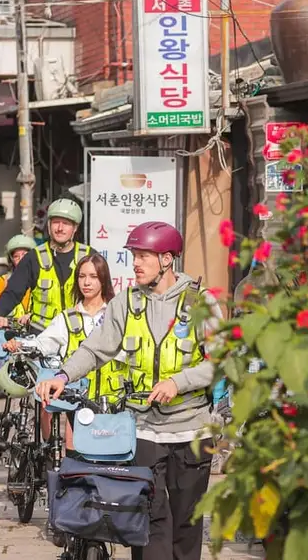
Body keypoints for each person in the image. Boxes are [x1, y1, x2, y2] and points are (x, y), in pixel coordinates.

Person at [35, 221, 223, 560]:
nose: (135, 263)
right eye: (134, 255)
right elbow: (96, 349)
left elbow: (222, 361)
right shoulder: (125, 302)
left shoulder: (201, 302)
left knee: (186, 524)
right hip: (144, 429)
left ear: (167, 259)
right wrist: (62, 375)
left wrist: (177, 382)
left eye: (143, 256)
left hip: (191, 429)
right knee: (148, 520)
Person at [4, 254, 125, 450]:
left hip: (113, 403)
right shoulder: (67, 319)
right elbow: (43, 343)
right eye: (82, 276)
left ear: (104, 279)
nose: (87, 282)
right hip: (77, 404)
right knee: (75, 461)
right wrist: (20, 344)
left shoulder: (118, 315)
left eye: (93, 276)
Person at [0, 198, 93, 332]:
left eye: (66, 223)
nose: (60, 228)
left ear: (75, 228)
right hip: (41, 332)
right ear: (49, 225)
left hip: (78, 333)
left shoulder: (89, 256)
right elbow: (13, 291)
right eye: (56, 222)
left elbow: (103, 296)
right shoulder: (33, 257)